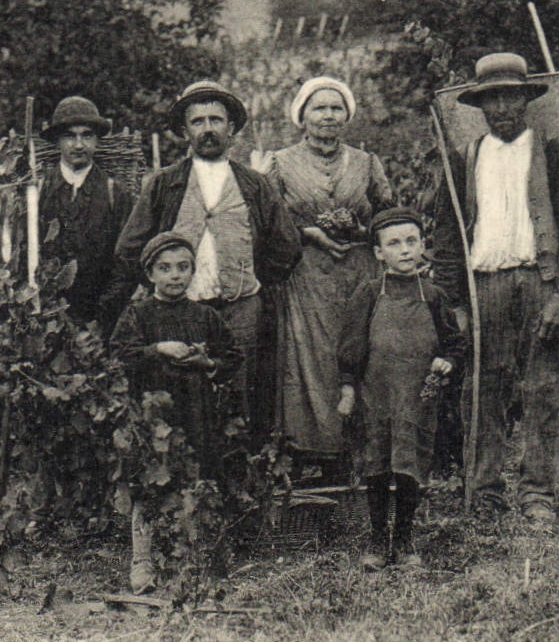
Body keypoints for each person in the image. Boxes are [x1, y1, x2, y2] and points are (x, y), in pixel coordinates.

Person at [431, 52, 559, 524]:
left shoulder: (553, 154)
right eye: (491, 100)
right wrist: (456, 304)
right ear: (480, 106)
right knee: (482, 391)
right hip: (484, 290)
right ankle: (484, 491)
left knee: (545, 389)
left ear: (525, 99)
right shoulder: (464, 160)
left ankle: (537, 492)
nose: (502, 108)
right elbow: (447, 239)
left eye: (510, 97)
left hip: (540, 283)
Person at [109, 80, 302, 441]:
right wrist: (160, 287)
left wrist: (253, 280)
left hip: (241, 308)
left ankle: (242, 476)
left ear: (231, 129)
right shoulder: (164, 184)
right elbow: (129, 247)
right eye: (198, 121)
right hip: (182, 310)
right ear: (185, 131)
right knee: (180, 396)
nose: (208, 129)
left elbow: (287, 246)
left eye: (216, 120)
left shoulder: (255, 185)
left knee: (240, 392)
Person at [268, 76, 392, 478]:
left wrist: (361, 229)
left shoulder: (367, 163)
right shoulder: (280, 163)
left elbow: (387, 215)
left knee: (358, 355)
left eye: (336, 108)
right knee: (313, 361)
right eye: (318, 108)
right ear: (301, 115)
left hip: (359, 276)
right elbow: (269, 220)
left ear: (348, 116)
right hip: (307, 280)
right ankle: (313, 456)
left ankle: (360, 457)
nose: (328, 116)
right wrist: (307, 231)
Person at [110, 231, 243, 593]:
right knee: (148, 481)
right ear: (150, 274)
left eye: (183, 268)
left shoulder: (204, 315)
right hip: (153, 416)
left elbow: (233, 357)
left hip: (197, 411)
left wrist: (207, 362)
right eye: (165, 268)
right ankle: (143, 561)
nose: (175, 276)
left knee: (199, 478)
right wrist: (158, 350)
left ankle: (201, 556)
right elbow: (121, 355)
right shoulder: (138, 314)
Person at [337, 208, 464, 570]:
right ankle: (378, 541)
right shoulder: (369, 293)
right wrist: (347, 389)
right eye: (394, 244)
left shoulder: (434, 295)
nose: (405, 250)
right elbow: (350, 348)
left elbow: (454, 343)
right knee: (377, 465)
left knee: (410, 464)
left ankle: (405, 540)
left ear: (424, 246)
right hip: (376, 396)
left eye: (412, 241)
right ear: (379, 253)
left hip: (417, 398)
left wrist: (447, 362)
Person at [39, 95, 134, 332]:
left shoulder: (116, 193)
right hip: (45, 321)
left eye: (87, 135)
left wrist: (100, 321)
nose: (79, 144)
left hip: (100, 322)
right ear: (58, 141)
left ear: (97, 141)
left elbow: (126, 264)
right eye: (70, 136)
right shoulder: (39, 192)